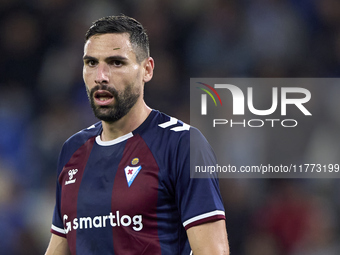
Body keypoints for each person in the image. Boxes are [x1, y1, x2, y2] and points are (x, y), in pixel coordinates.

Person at [45, 15, 229, 255]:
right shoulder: (73, 150)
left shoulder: (182, 144)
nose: (101, 76)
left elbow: (212, 251)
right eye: (91, 63)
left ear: (147, 70)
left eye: (116, 62)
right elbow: (60, 247)